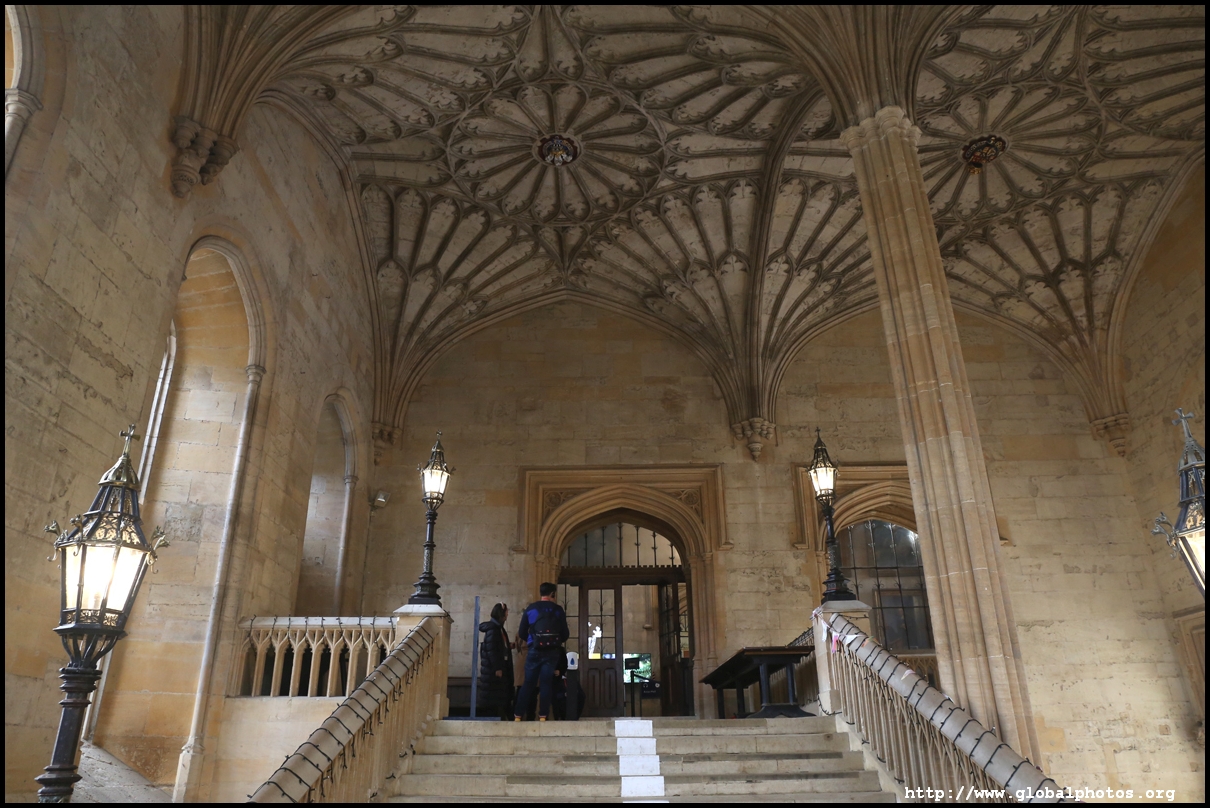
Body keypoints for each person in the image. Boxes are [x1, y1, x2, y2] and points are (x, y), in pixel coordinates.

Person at [513, 582, 569, 721]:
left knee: (528, 683)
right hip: (552, 652)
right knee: (546, 683)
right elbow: (565, 634)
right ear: (553, 594)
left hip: (534, 650)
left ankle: (518, 715)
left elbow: (522, 632)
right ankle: (543, 715)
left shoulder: (531, 609)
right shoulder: (558, 610)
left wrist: (532, 641)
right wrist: (555, 642)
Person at [477, 602, 514, 720]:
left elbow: (497, 646)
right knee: (495, 701)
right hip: (494, 672)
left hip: (498, 669)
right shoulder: (494, 629)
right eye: (506, 612)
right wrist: (497, 668)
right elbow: (491, 650)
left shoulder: (498, 628)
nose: (507, 615)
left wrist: (508, 646)